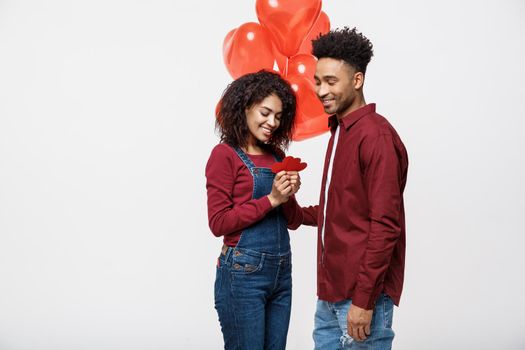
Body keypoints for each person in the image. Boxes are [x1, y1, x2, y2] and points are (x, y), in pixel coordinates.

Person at [301, 27, 409, 349]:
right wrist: (291, 210)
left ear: (357, 80)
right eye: (318, 81)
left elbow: (385, 225)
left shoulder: (375, 137)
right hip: (330, 295)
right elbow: (345, 212)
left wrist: (363, 301)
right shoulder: (340, 132)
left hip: (362, 300)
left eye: (331, 81)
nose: (321, 90)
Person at [205, 70, 303, 350]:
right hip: (242, 274)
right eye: (265, 112)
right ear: (246, 106)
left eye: (279, 116)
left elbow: (293, 220)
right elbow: (218, 222)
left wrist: (291, 194)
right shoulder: (224, 155)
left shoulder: (277, 156)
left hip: (281, 272)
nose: (273, 122)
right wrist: (271, 199)